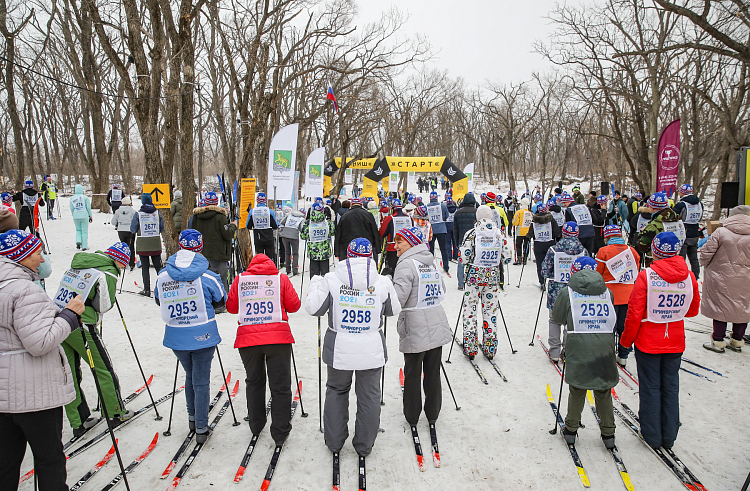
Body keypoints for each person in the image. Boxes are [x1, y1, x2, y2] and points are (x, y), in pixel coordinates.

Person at [0, 229, 84, 491]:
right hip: (34, 393)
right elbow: (39, 343)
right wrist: (69, 317)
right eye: (37, 252)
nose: (42, 258)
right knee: (49, 460)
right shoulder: (25, 290)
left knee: (6, 462)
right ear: (20, 256)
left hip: (5, 393)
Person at [305, 238, 401, 461]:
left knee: (337, 392)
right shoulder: (381, 281)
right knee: (369, 396)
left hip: (339, 348)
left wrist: (315, 284)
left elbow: (313, 308)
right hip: (371, 349)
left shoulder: (331, 279)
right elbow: (393, 309)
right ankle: (364, 444)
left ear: (347, 255)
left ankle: (334, 442)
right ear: (371, 257)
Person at [620, 232, 700, 450]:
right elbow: (693, 310)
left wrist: (625, 342)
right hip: (674, 340)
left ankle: (652, 435)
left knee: (651, 387)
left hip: (648, 342)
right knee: (671, 386)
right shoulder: (689, 276)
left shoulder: (647, 275)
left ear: (655, 251)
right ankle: (668, 435)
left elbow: (634, 313)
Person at [155, 230, 225, 443]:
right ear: (200, 247)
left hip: (177, 335)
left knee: (190, 375)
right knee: (201, 379)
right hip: (203, 333)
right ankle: (202, 428)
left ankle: (193, 419)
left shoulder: (162, 275)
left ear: (179, 247)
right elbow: (220, 302)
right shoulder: (209, 276)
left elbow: (159, 300)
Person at [57, 241, 134, 436]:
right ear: (120, 261)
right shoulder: (107, 273)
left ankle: (78, 420)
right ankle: (115, 412)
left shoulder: (82, 262)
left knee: (70, 372)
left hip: (59, 320)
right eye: (124, 265)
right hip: (82, 325)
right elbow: (104, 305)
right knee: (103, 368)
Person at [226, 251, 300, 447]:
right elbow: (294, 306)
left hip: (248, 340)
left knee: (254, 382)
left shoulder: (241, 279)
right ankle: (280, 431)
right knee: (281, 386)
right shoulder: (280, 278)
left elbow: (232, 307)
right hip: (278, 339)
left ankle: (256, 424)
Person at [552, 256, 619, 450]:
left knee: (578, 388)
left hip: (578, 345)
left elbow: (557, 318)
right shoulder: (607, 292)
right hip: (604, 347)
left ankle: (571, 430)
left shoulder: (568, 292)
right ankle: (608, 433)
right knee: (603, 389)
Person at [392, 226, 452, 429]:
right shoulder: (430, 261)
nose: (395, 246)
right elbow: (441, 289)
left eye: (399, 242)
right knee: (433, 372)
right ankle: (433, 412)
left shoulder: (406, 264)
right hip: (436, 321)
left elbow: (398, 299)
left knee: (413, 373)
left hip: (415, 325)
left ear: (410, 243)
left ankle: (412, 415)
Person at [459, 205, 511, 359]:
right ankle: (490, 348)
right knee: (490, 313)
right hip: (492, 278)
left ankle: (470, 348)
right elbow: (507, 257)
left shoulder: (471, 234)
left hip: (473, 278)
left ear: (477, 218)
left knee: (470, 312)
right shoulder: (499, 233)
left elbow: (463, 258)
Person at [700, 205, 750, 353]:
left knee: (720, 307)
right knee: (742, 307)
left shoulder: (721, 232)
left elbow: (705, 253)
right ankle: (737, 340)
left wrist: (706, 265)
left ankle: (718, 340)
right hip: (746, 278)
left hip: (720, 276)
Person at [541, 222, 589, 361]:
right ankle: (567, 351)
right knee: (571, 321)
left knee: (554, 320)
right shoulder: (583, 251)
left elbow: (545, 271)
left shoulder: (554, 250)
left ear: (563, 233)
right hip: (576, 291)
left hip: (556, 291)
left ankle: (554, 352)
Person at [595, 225, 640, 367]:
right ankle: (623, 354)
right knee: (624, 326)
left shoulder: (604, 251)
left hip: (609, 294)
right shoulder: (631, 251)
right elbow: (636, 270)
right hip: (629, 294)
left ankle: (607, 354)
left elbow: (598, 273)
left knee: (609, 326)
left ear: (607, 237)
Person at [191, 191, 238, 301]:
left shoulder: (196, 217)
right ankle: (223, 300)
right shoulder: (220, 217)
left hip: (202, 253)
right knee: (221, 277)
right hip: (219, 252)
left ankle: (206, 299)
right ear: (216, 203)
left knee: (204, 277)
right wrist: (233, 226)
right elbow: (227, 235)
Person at [130, 192, 165, 295]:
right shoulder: (157, 213)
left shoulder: (138, 214)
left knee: (145, 267)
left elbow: (133, 229)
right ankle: (162, 287)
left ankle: (146, 289)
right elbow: (161, 228)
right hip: (155, 243)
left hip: (143, 244)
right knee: (158, 267)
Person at [637, 192, 681, 262]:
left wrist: (642, 233)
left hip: (656, 262)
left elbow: (643, 247)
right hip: (675, 260)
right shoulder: (677, 219)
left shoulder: (653, 226)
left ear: (653, 207)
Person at [334, 197, 381, 262]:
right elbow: (375, 231)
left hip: (348, 247)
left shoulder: (345, 216)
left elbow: (338, 233)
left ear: (351, 205)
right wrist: (377, 248)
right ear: (361, 205)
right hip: (365, 246)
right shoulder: (368, 215)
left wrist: (337, 251)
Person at [526, 201, 561, 288]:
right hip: (550, 243)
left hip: (538, 244)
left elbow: (530, 234)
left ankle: (542, 282)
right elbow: (557, 232)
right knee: (552, 262)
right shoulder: (551, 220)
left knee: (540, 263)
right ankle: (553, 280)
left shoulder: (534, 221)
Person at [672, 184, 703, 280]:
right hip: (695, 232)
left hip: (683, 232)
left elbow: (673, 217)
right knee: (694, 258)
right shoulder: (699, 204)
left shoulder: (681, 204)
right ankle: (695, 277)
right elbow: (700, 217)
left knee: (681, 258)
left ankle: (681, 277)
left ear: (682, 192)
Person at [300, 202, 335, 278]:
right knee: (325, 275)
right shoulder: (327, 222)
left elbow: (303, 236)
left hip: (313, 252)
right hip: (325, 251)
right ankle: (325, 289)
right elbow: (332, 233)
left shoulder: (308, 222)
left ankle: (314, 288)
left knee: (314, 276)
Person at [379, 199, 413, 277]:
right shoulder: (409, 218)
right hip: (407, 248)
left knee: (391, 271)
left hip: (393, 248)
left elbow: (382, 233)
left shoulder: (390, 218)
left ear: (393, 208)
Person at [247, 192, 279, 261]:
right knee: (269, 258)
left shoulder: (252, 211)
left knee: (259, 258)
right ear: (265, 200)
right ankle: (269, 270)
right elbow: (275, 226)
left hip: (258, 237)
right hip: (269, 237)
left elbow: (248, 226)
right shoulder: (270, 211)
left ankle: (261, 271)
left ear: (257, 201)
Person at [426, 191, 451, 276]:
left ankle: (431, 265)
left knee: (431, 249)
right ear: (437, 197)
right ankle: (446, 266)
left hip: (431, 230)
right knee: (443, 249)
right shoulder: (442, 206)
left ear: (430, 198)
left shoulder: (427, 207)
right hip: (441, 229)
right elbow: (446, 216)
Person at [111, 196, 137, 270]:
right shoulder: (133, 211)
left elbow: (113, 222)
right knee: (131, 246)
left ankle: (123, 263)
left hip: (121, 230)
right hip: (130, 230)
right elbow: (135, 221)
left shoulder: (118, 211)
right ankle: (132, 263)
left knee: (123, 246)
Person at [279, 207, 305, 276]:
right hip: (294, 236)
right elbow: (302, 228)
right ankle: (295, 270)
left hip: (285, 235)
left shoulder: (289, 215)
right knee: (295, 253)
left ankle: (288, 269)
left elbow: (282, 222)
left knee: (287, 252)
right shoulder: (301, 219)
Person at [70, 184, 93, 250]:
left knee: (78, 230)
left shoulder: (72, 198)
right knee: (84, 231)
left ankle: (78, 241)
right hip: (84, 215)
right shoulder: (85, 198)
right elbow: (88, 207)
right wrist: (90, 215)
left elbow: (72, 208)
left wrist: (73, 214)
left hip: (76, 215)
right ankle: (84, 246)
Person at [511, 198, 533, 264]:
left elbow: (515, 223)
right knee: (526, 245)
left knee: (519, 245)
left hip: (520, 232)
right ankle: (525, 258)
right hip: (528, 232)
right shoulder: (531, 212)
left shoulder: (519, 212)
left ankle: (519, 258)